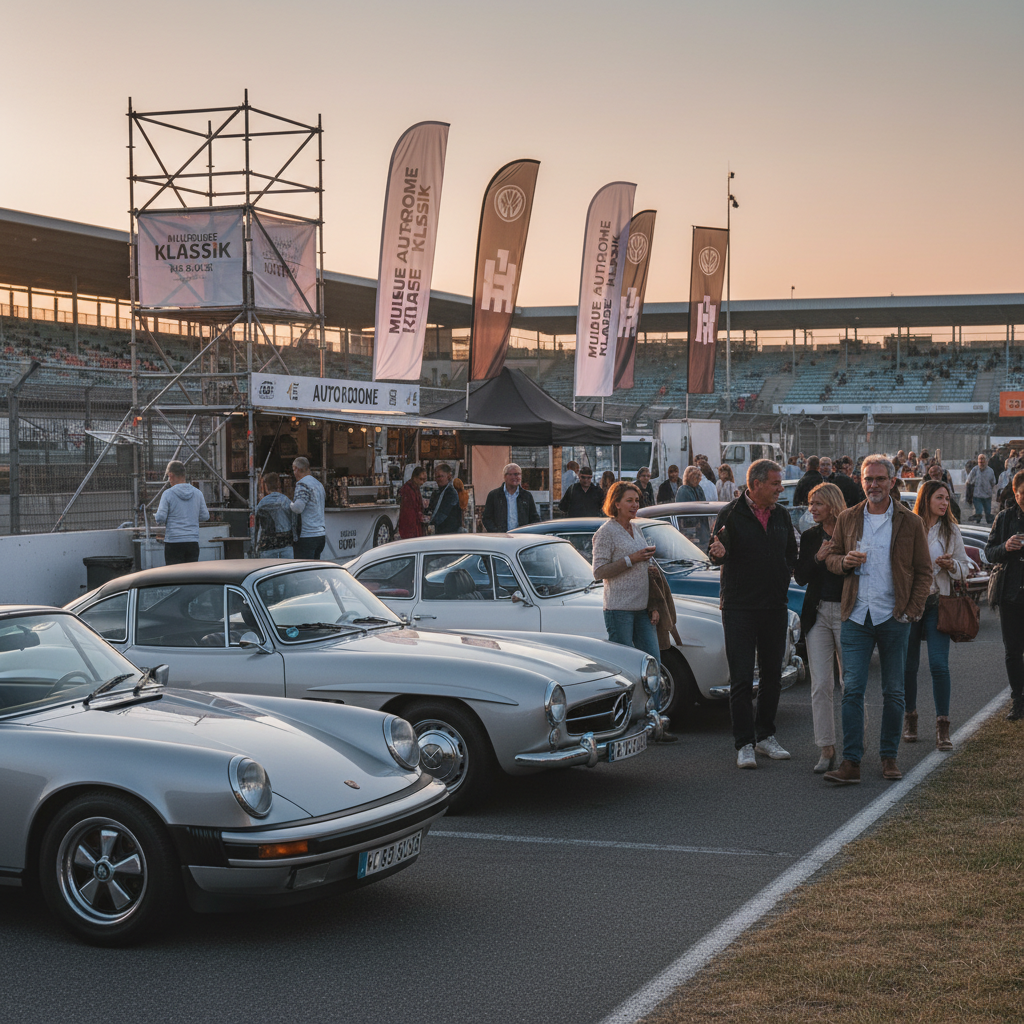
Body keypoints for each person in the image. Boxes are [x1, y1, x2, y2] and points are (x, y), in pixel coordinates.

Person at [823, 454, 932, 785]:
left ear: (893, 482)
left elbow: (924, 571)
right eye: (868, 479)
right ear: (860, 481)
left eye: (880, 479)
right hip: (856, 615)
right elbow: (830, 556)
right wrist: (844, 562)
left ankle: (889, 757)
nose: (874, 485)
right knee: (852, 688)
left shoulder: (910, 522)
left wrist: (913, 609)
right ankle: (851, 762)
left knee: (894, 691)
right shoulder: (848, 518)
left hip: (893, 616)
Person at [708, 459, 798, 769]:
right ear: (755, 485)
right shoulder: (731, 513)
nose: (779, 489)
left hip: (774, 606)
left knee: (772, 675)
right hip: (739, 607)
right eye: (775, 483)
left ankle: (765, 737)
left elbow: (791, 554)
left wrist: (782, 576)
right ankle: (744, 743)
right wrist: (718, 553)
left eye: (780, 483)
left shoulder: (782, 515)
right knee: (742, 678)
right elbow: (717, 549)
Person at [903, 480, 969, 750]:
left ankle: (943, 726)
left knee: (939, 666)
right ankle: (911, 719)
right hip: (911, 605)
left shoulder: (950, 530)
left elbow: (965, 568)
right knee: (908, 667)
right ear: (926, 498)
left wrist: (951, 564)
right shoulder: (909, 525)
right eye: (940, 498)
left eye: (947, 499)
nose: (945, 503)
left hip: (938, 603)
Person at [794, 482, 847, 773]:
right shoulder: (810, 536)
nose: (811, 509)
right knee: (821, 686)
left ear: (832, 505)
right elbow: (801, 577)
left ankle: (853, 747)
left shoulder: (850, 531)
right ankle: (826, 749)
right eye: (810, 504)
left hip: (847, 612)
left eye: (817, 504)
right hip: (817, 614)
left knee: (850, 683)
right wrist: (818, 558)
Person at [592, 482, 661, 674]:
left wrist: (654, 605)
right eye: (629, 500)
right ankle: (629, 704)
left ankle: (653, 705)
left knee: (653, 662)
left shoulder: (636, 528)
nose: (635, 505)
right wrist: (631, 559)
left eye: (637, 501)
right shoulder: (605, 532)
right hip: (619, 609)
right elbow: (599, 572)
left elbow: (643, 566)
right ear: (616, 504)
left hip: (643, 608)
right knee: (625, 667)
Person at [985, 470, 1024, 722]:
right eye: (1023, 494)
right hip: (1010, 594)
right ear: (1015, 493)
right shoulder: (1005, 517)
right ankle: (1018, 700)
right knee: (1013, 651)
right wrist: (1005, 547)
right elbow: (988, 552)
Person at [155, 460, 210, 565]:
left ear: (171, 475)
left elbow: (160, 517)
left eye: (168, 477)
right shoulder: (198, 493)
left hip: (173, 542)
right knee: (190, 576)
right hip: (192, 542)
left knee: (174, 577)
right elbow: (205, 516)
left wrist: (158, 516)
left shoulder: (168, 494)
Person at [483, 463, 541, 531]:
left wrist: (528, 532)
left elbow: (534, 518)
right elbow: (487, 518)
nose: (515, 477)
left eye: (518, 474)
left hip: (522, 537)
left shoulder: (526, 496)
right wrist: (496, 533)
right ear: (505, 476)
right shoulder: (494, 495)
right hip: (500, 538)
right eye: (511, 474)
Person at [289, 456, 327, 559]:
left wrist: (288, 503)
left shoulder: (302, 484)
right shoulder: (319, 484)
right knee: (314, 568)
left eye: (293, 470)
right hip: (320, 534)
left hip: (307, 535)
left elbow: (298, 508)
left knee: (304, 569)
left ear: (296, 468)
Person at [255, 471, 295, 558]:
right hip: (285, 544)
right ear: (278, 484)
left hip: (267, 545)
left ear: (265, 486)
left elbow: (257, 526)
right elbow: (294, 521)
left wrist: (256, 545)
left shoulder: (262, 503)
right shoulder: (286, 501)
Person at [427, 463, 463, 535]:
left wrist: (430, 521)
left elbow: (443, 514)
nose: (438, 479)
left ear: (449, 476)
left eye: (441, 476)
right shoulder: (436, 492)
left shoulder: (451, 493)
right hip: (440, 531)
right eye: (437, 477)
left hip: (450, 532)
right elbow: (430, 509)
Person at [398, 465, 428, 539]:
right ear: (414, 478)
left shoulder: (415, 488)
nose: (422, 482)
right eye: (421, 479)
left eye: (424, 480)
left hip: (415, 523)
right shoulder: (407, 489)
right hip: (410, 524)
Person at [966, 453, 996, 524]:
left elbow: (993, 482)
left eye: (983, 462)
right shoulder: (975, 470)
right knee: (978, 512)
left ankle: (990, 525)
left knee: (988, 513)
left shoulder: (990, 471)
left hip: (987, 495)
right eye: (980, 462)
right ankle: (977, 524)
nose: (981, 463)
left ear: (986, 462)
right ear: (978, 462)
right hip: (977, 495)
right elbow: (969, 480)